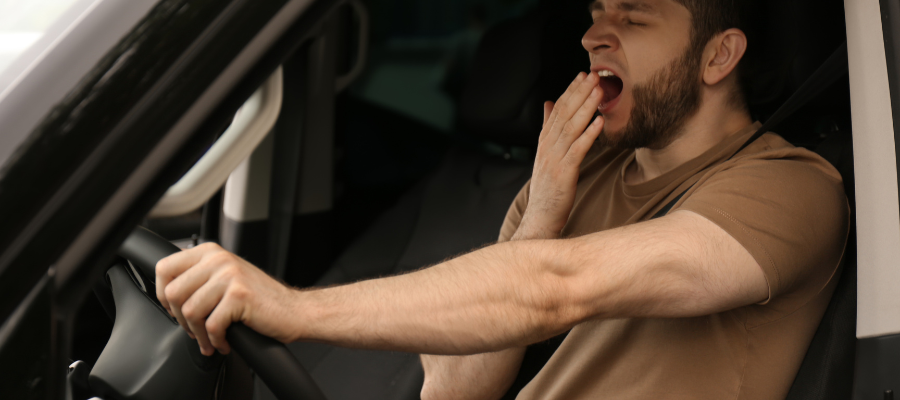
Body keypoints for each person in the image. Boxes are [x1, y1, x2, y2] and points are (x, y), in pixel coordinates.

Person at [155, 0, 850, 398]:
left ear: (718, 56)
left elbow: (556, 288)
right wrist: (544, 207)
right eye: (595, 13)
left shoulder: (789, 188)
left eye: (632, 18)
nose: (592, 36)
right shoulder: (578, 173)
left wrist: (295, 310)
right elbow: (452, 392)